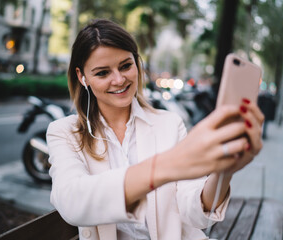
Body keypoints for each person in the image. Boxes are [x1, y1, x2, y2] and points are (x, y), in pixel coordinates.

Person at [46, 19, 264, 240]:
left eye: (125, 66)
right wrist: (169, 165)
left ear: (137, 64)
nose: (119, 80)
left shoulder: (170, 123)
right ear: (82, 77)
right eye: (103, 73)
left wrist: (224, 170)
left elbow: (195, 215)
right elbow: (71, 202)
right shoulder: (63, 132)